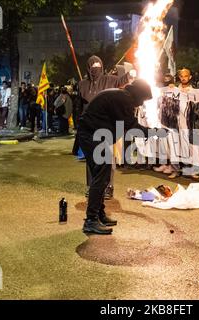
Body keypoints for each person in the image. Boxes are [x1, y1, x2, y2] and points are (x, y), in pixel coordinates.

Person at [77, 80, 155, 235]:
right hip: (92, 137)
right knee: (101, 178)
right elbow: (131, 126)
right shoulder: (123, 99)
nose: (141, 103)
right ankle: (91, 220)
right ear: (138, 94)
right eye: (143, 99)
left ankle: (99, 215)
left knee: (102, 177)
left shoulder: (121, 95)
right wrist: (153, 132)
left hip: (93, 136)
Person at [76, 55, 136, 200]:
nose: (95, 68)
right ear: (88, 67)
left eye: (98, 65)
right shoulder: (82, 84)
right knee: (92, 158)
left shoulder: (110, 80)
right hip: (90, 126)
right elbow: (79, 104)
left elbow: (122, 81)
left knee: (108, 158)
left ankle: (108, 186)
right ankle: (92, 187)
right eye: (92, 66)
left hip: (107, 126)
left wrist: (131, 73)